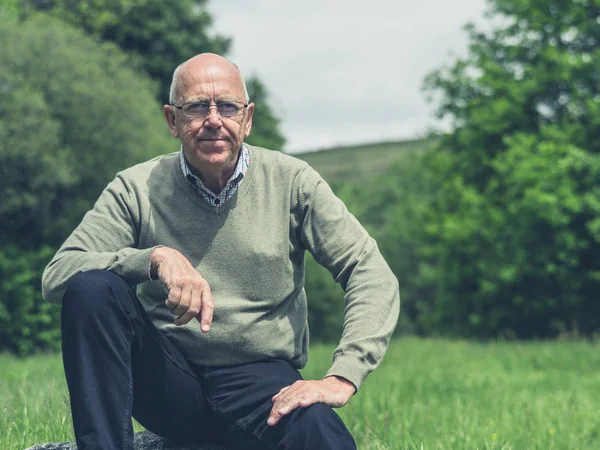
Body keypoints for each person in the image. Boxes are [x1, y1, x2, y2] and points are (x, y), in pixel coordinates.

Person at [42, 53, 400, 450]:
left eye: (227, 106)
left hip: (261, 381)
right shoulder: (135, 188)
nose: (213, 119)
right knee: (93, 288)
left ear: (246, 119)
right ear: (172, 121)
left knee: (320, 432)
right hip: (166, 377)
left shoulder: (292, 182)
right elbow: (60, 274)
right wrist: (153, 259)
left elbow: (369, 271)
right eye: (196, 107)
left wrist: (343, 376)